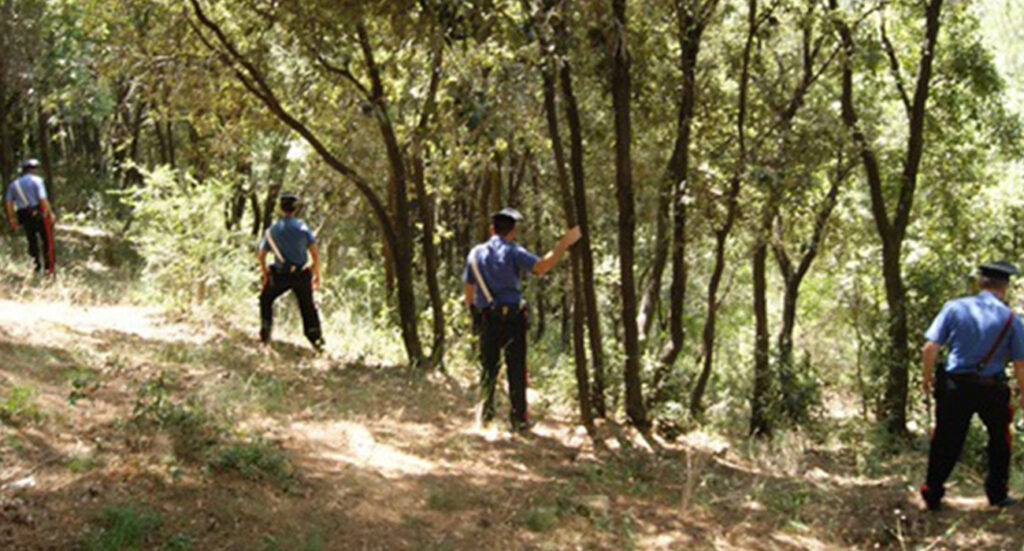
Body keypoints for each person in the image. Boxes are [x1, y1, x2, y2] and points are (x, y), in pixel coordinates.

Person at [464, 207, 582, 433]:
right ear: (512, 231)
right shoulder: (514, 252)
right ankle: (518, 421)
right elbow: (541, 267)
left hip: (488, 317)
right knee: (516, 369)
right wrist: (563, 244)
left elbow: (469, 292)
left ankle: (486, 417)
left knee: (488, 367)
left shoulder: (475, 254)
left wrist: (476, 315)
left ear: (492, 229)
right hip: (513, 318)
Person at [920, 261, 1024, 511]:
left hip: (954, 386)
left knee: (945, 438)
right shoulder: (1012, 320)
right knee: (1000, 439)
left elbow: (930, 347)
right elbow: (1020, 363)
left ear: (980, 283)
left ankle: (933, 492)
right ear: (1005, 287)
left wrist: (927, 379)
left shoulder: (953, 308)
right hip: (991, 389)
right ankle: (997, 494)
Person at [258, 193, 324, 352]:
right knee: (308, 307)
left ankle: (265, 336)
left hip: (280, 275)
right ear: (295, 209)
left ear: (280, 208)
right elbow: (315, 254)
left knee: (265, 299)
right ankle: (317, 342)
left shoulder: (272, 230)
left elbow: (261, 256)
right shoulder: (303, 228)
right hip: (301, 275)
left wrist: (266, 274)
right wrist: (317, 275)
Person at [4, 159, 56, 274]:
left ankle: (36, 266)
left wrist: (11, 219)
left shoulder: (14, 184)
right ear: (34, 170)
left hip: (23, 214)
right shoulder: (38, 181)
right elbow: (43, 199)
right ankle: (48, 267)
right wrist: (49, 213)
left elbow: (8, 203)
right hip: (38, 212)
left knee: (31, 239)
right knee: (46, 239)